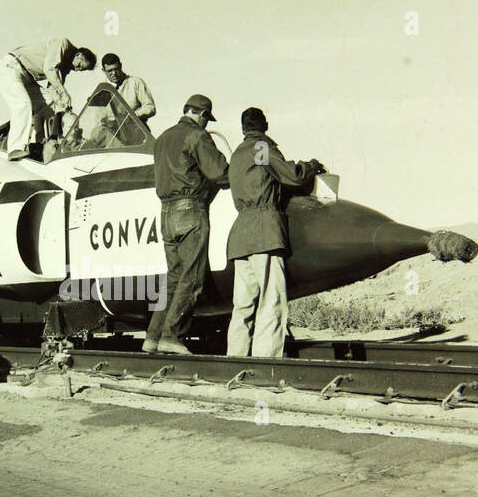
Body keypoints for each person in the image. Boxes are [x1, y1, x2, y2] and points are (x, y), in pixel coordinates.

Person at [225, 107, 323, 358]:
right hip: (264, 233)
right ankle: (265, 360)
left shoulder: (237, 154)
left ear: (243, 128)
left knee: (243, 305)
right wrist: (311, 166)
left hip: (240, 237)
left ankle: (236, 358)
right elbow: (292, 176)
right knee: (271, 300)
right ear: (265, 125)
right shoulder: (260, 148)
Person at [143, 94, 229, 355]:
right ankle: (172, 336)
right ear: (201, 115)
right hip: (190, 210)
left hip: (166, 213)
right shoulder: (197, 136)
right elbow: (219, 173)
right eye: (206, 119)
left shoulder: (163, 139)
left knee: (173, 278)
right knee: (192, 277)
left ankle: (152, 337)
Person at [0, 39, 96, 160]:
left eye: (81, 70)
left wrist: (61, 101)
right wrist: (64, 93)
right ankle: (15, 148)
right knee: (23, 104)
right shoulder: (63, 45)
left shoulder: (66, 66)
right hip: (10, 67)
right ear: (78, 55)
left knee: (49, 102)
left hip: (27, 76)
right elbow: (49, 69)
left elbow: (53, 88)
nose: (77, 70)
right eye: (79, 66)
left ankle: (43, 144)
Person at [100, 53, 156, 125]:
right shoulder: (102, 91)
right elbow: (98, 119)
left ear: (121, 66)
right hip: (113, 134)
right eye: (110, 71)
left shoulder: (135, 82)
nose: (114, 73)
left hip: (137, 132)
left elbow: (150, 107)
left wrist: (130, 117)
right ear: (103, 70)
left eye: (116, 69)